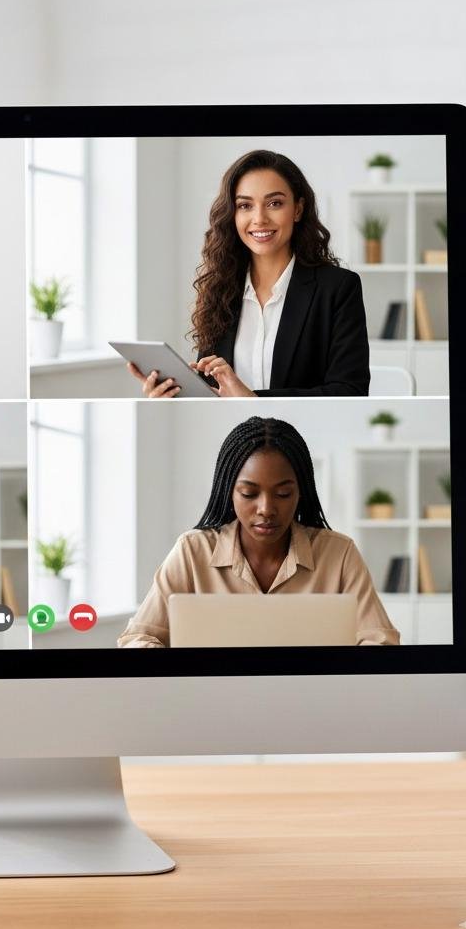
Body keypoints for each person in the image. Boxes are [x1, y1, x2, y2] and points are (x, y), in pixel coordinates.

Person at [119, 416, 397, 648]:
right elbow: (139, 637)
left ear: (301, 492)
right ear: (228, 491)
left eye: (283, 493)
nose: (266, 508)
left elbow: (380, 641)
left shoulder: (338, 553)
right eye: (249, 493)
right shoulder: (193, 551)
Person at [128, 150, 370, 398]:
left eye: (274, 203)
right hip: (228, 436)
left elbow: (350, 391)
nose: (259, 219)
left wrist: (253, 399)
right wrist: (174, 395)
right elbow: (214, 393)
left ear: (298, 208)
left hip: (306, 436)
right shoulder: (219, 289)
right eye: (245, 205)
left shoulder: (339, 288)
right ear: (232, 214)